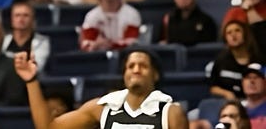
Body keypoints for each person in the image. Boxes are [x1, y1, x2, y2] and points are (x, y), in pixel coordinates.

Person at [14, 48, 185, 129]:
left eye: (143, 66)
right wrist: (32, 81)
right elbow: (47, 127)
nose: (136, 69)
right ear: (124, 74)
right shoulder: (102, 108)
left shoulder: (170, 112)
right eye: (130, 65)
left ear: (155, 75)